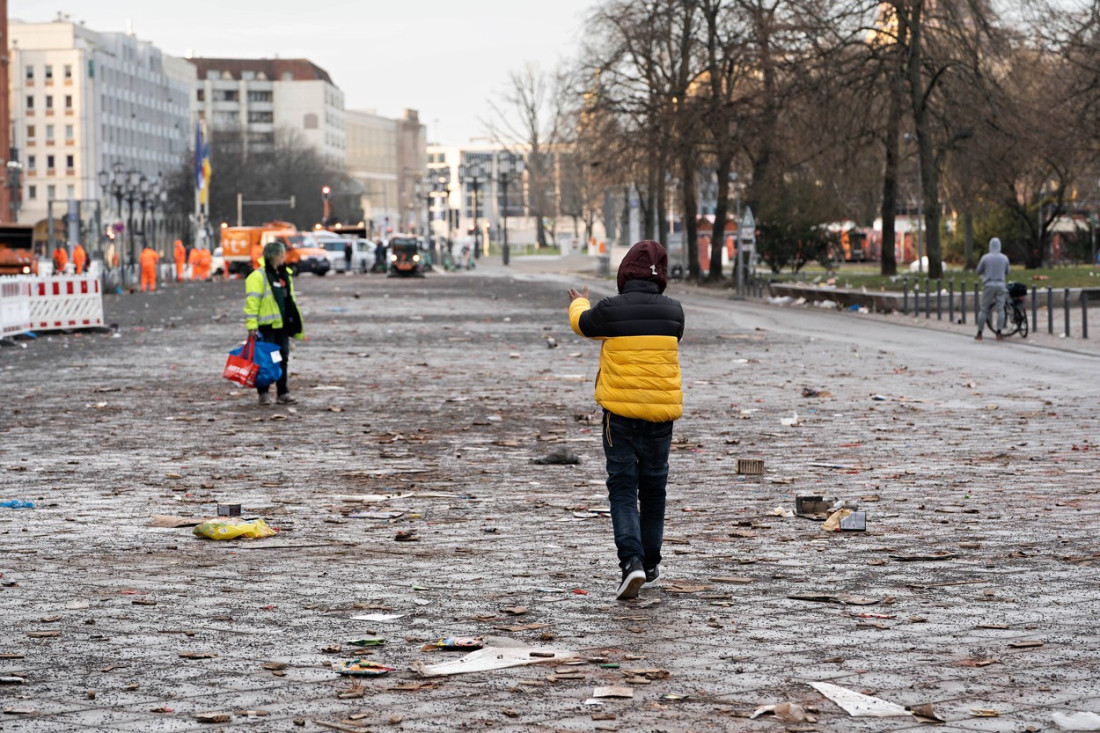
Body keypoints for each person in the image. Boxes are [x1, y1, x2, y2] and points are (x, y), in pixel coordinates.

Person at [567, 240, 685, 600]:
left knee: (622, 488)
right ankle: (650, 563)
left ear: (624, 271)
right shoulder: (674, 314)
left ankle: (631, 561)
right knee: (653, 490)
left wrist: (579, 301)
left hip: (619, 416)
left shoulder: (610, 310)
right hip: (661, 417)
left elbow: (583, 325)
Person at [244, 241, 303, 406]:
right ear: (274, 256)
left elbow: (289, 300)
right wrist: (251, 325)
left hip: (282, 326)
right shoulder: (258, 276)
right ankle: (263, 393)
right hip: (266, 326)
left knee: (282, 358)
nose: (284, 257)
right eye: (281, 254)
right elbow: (252, 303)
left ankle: (282, 392)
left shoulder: (285, 275)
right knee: (264, 360)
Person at [976, 236, 1010, 341]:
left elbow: (978, 271)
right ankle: (999, 332)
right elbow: (1007, 272)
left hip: (988, 285)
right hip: (1000, 285)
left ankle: (979, 333)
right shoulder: (1004, 258)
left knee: (984, 309)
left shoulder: (985, 258)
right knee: (1000, 309)